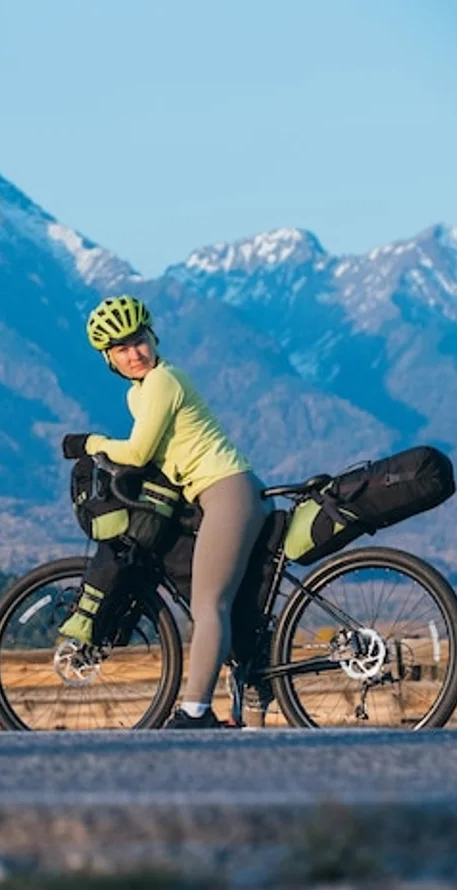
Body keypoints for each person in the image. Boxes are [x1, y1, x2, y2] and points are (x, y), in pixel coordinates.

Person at [59, 295, 270, 729]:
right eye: (121, 349)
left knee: (209, 605)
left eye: (138, 341)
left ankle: (195, 711)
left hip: (226, 491)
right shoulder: (140, 393)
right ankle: (248, 692)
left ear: (153, 337)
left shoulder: (162, 381)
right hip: (212, 494)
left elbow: (138, 452)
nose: (133, 354)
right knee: (225, 603)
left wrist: (90, 443)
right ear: (108, 359)